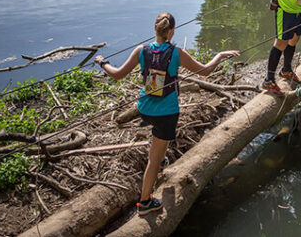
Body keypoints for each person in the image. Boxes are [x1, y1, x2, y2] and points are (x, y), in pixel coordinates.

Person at [94, 13, 239, 215]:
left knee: (159, 147)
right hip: (166, 113)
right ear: (171, 32)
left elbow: (117, 74)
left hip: (144, 109)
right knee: (153, 159)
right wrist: (220, 55)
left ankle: (160, 163)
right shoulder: (176, 53)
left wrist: (102, 62)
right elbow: (204, 71)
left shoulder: (141, 50)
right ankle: (145, 202)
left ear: (155, 29)